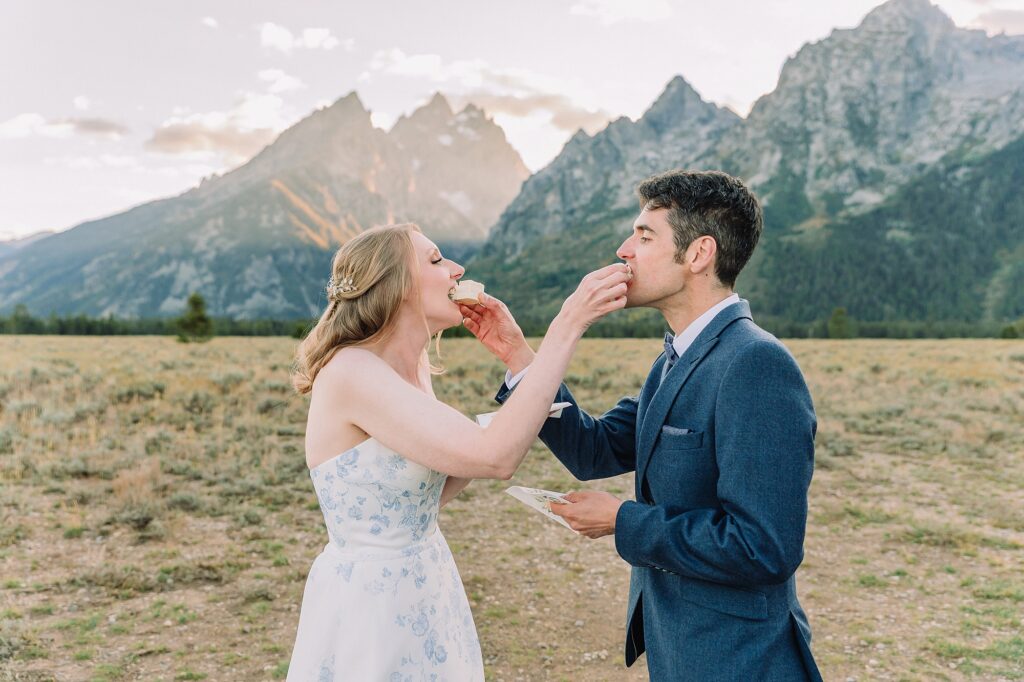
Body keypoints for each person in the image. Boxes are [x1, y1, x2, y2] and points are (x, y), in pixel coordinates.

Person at [460, 170, 822, 680]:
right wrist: (520, 357)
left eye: (644, 235)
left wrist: (620, 520)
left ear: (699, 254)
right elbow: (595, 450)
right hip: (681, 643)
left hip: (740, 657)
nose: (623, 249)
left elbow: (763, 548)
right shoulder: (677, 355)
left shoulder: (755, 364)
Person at [286, 223, 630, 681]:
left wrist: (513, 366)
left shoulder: (414, 368)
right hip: (372, 603)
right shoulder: (351, 371)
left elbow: (419, 496)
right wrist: (567, 326)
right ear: (395, 287)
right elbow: (496, 458)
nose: (457, 269)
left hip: (427, 580)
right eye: (435, 260)